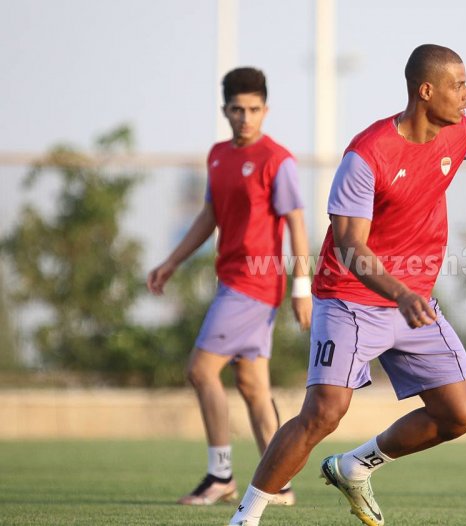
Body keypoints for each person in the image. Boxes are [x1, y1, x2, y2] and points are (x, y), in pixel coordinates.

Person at [228, 44, 466, 526]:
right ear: (426, 91)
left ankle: (354, 466)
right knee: (324, 412)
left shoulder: (455, 133)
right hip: (352, 300)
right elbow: (349, 247)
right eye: (458, 85)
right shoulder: (367, 155)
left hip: (413, 303)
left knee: (458, 413)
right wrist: (400, 292)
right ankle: (246, 517)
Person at [147, 67, 312, 507]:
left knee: (200, 371)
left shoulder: (278, 159)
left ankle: (220, 476)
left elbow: (297, 223)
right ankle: (280, 484)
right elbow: (209, 217)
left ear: (266, 110)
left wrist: (302, 286)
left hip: (254, 283)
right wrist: (171, 262)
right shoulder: (218, 155)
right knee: (253, 386)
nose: (246, 117)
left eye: (254, 109)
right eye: (237, 109)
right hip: (232, 279)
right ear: (225, 110)